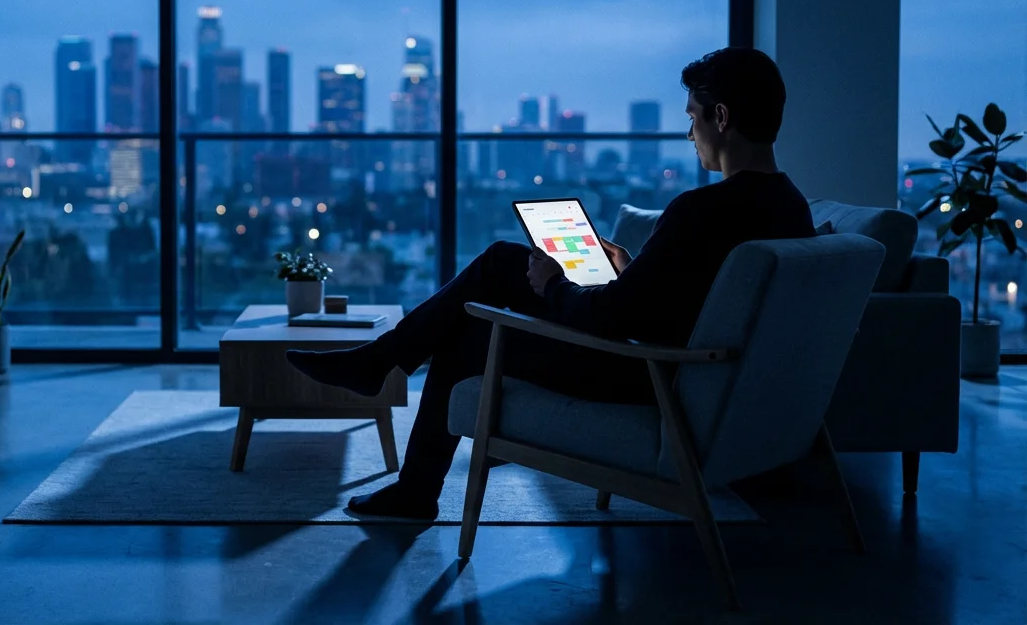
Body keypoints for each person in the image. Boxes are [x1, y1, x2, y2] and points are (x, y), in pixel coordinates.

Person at [286, 47, 816, 521]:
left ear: (720, 117)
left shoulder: (701, 210)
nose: (689, 134)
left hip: (652, 375)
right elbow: (689, 300)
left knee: (492, 286)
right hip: (688, 368)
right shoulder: (790, 207)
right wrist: (635, 270)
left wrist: (553, 283)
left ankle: (385, 384)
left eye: (693, 118)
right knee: (487, 295)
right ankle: (387, 394)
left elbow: (606, 318)